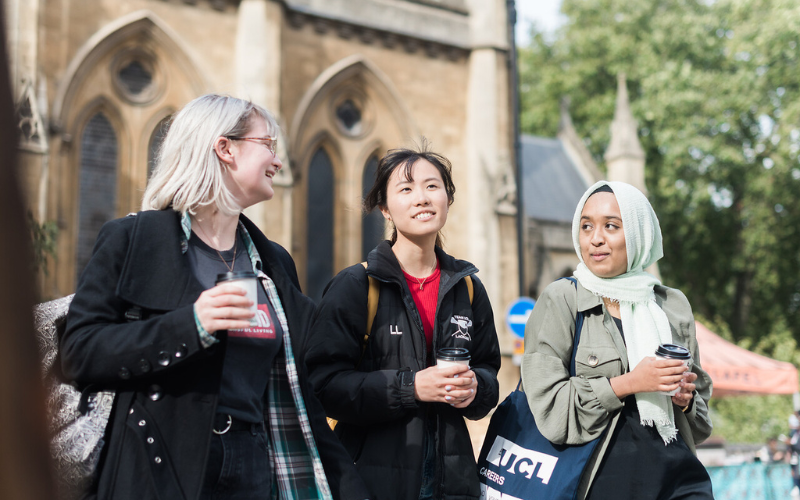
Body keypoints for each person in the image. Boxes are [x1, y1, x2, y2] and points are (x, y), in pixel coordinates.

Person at [60, 94, 370, 500]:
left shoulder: (272, 262)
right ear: (225, 148)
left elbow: (303, 393)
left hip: (255, 463)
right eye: (268, 146)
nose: (278, 162)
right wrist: (192, 325)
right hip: (160, 462)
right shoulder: (134, 239)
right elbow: (79, 352)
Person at [303, 146, 502, 500]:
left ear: (447, 198)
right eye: (406, 189)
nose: (421, 199)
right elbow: (323, 386)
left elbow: (488, 373)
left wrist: (475, 388)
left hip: (452, 484)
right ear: (385, 208)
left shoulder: (468, 287)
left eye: (432, 187)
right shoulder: (355, 286)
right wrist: (410, 387)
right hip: (369, 483)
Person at [521, 181, 714, 500]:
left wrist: (686, 399)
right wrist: (630, 383)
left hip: (679, 482)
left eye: (611, 226)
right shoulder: (562, 299)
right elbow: (551, 410)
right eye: (586, 226)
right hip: (602, 483)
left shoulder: (670, 304)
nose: (595, 238)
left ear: (639, 234)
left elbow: (702, 423)